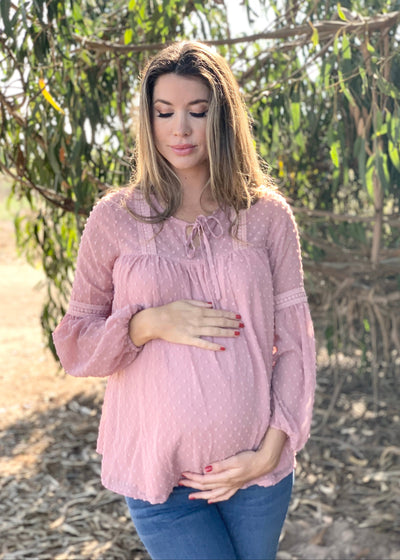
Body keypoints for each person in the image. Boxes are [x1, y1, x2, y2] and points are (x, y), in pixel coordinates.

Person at [53, 41, 316, 560]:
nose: (181, 129)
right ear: (147, 121)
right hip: (162, 478)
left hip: (256, 477)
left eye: (197, 112)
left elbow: (296, 345)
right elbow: (75, 343)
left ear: (223, 117)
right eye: (164, 112)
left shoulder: (266, 217)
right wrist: (146, 323)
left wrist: (270, 452)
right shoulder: (115, 218)